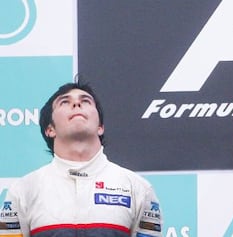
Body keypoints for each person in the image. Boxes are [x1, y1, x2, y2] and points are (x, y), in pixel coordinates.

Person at [0, 82, 162, 237]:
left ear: (100, 127)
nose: (77, 104)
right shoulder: (23, 191)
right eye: (64, 102)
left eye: (85, 101)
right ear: (50, 129)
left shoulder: (138, 188)